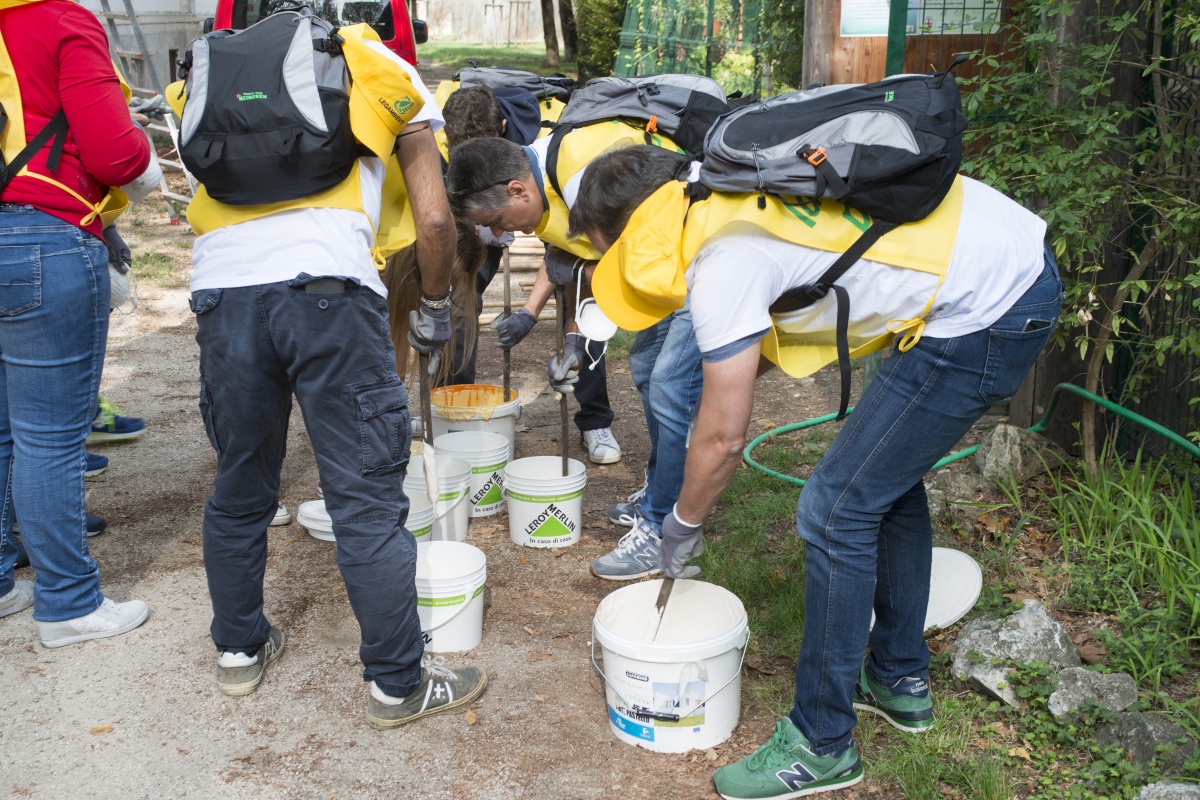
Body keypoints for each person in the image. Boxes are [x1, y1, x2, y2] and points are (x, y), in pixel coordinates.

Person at [570, 145, 1062, 798]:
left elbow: (722, 440)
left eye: (614, 252)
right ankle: (898, 676)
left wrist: (681, 523)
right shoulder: (718, 200)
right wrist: (723, 395)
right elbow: (750, 356)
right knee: (882, 482)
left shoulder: (721, 256)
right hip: (986, 269)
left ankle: (821, 742)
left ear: (637, 231)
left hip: (987, 306)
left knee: (834, 508)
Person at [166, 14, 485, 725]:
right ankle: (398, 686)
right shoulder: (370, 62)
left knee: (241, 480)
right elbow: (434, 221)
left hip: (223, 292)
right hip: (328, 292)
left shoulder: (207, 72)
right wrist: (434, 305)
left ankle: (240, 651)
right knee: (365, 496)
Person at [0, 0, 154, 644]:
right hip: (43, 236)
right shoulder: (60, 19)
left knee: (4, 431)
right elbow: (116, 155)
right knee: (50, 439)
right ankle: (67, 603)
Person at [446, 136, 623, 465]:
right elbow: (576, 262)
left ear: (516, 191)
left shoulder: (578, 182)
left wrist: (578, 334)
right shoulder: (540, 189)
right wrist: (565, 333)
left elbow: (610, 273)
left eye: (495, 221)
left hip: (694, 246)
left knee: (660, 377)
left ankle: (663, 507)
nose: (498, 234)